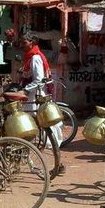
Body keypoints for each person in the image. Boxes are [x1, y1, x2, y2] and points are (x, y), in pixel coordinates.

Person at [19, 32, 65, 173]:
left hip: (35, 97)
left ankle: (53, 162)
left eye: (24, 42)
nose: (22, 45)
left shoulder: (36, 58)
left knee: (28, 128)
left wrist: (25, 90)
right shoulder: (32, 57)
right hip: (37, 96)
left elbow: (38, 80)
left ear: (32, 43)